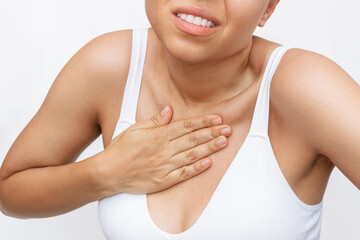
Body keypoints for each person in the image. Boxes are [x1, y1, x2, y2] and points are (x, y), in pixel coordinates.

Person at [0, 0, 359, 239]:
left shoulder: (304, 88)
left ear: (268, 7)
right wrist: (106, 172)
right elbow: (10, 190)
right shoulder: (110, 66)